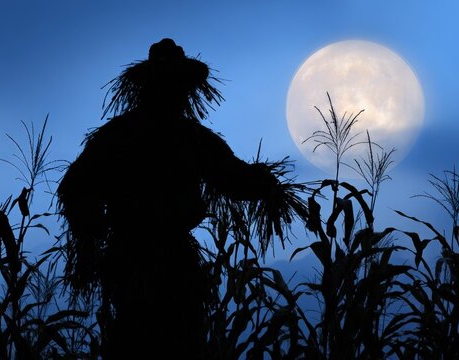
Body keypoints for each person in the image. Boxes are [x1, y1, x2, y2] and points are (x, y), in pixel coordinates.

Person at [57, 38, 304, 358]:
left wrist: (264, 184)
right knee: (157, 338)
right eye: (170, 84)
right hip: (139, 259)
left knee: (152, 338)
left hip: (149, 258)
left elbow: (234, 179)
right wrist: (95, 226)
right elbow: (76, 188)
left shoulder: (151, 136)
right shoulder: (174, 137)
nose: (175, 92)